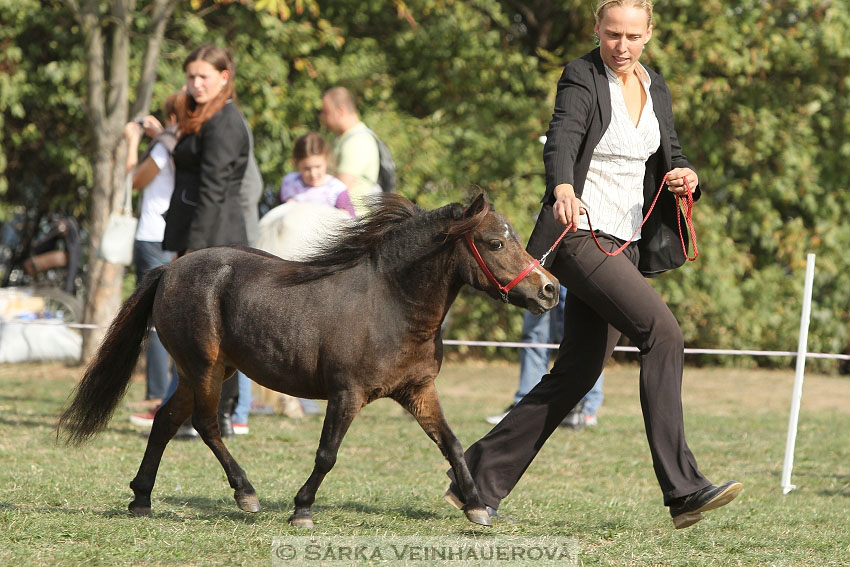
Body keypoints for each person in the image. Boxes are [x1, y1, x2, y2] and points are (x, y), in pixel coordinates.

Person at [446, 0, 741, 530]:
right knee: (663, 333)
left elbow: (669, 151)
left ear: (649, 34)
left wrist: (685, 175)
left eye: (632, 36)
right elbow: (562, 137)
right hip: (579, 234)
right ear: (597, 30)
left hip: (624, 242)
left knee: (578, 372)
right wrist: (562, 185)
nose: (621, 46)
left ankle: (476, 478)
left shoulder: (656, 87)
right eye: (612, 35)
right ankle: (684, 489)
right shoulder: (582, 76)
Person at [162, 44, 253, 438]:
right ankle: (198, 413)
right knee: (202, 335)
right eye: (191, 76)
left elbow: (215, 191)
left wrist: (194, 253)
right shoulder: (204, 117)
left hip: (217, 241)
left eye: (203, 76)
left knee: (221, 336)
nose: (195, 84)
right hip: (202, 235)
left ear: (224, 78)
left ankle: (222, 415)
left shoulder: (224, 123)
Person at [122, 93, 180, 412]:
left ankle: (157, 392)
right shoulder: (180, 143)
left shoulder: (164, 145)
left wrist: (133, 142)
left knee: (155, 316)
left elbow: (135, 180)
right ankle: (168, 389)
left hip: (153, 236)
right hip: (174, 235)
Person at [485, 286, 604, 429]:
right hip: (540, 270)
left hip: (572, 272)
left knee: (578, 334)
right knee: (533, 336)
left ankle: (586, 408)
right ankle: (525, 407)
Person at [318, 87, 381, 216]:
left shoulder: (358, 141)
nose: (322, 117)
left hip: (354, 225)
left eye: (326, 112)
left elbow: (340, 188)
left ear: (340, 111)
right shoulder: (340, 138)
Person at [279, 131, 355, 217]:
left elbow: (352, 221)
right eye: (306, 168)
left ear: (327, 159)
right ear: (295, 163)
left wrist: (345, 216)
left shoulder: (336, 189)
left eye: (318, 167)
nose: (313, 174)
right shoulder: (289, 183)